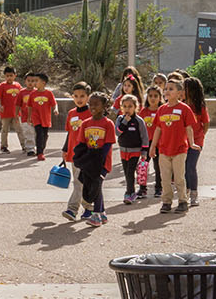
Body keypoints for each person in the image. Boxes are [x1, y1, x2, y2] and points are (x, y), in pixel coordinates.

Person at [151, 79, 199, 214]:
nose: (167, 91)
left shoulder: (184, 109)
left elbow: (189, 128)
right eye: (165, 89)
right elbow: (158, 129)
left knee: (179, 177)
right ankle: (166, 202)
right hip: (164, 150)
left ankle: (183, 201)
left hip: (179, 149)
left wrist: (192, 143)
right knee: (165, 178)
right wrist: (153, 146)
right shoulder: (161, 109)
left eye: (171, 89)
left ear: (179, 93)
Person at [72, 93, 117, 226]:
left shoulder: (108, 124)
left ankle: (96, 215)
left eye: (96, 104)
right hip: (89, 161)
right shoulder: (86, 123)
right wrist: (82, 159)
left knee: (96, 186)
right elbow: (82, 143)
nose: (92, 107)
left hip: (101, 162)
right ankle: (102, 213)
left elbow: (108, 145)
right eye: (90, 104)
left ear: (104, 106)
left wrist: (98, 160)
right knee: (96, 187)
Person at [59, 82, 95, 222]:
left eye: (82, 96)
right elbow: (70, 133)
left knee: (80, 183)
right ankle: (88, 208)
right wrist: (65, 148)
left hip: (87, 154)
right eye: (76, 96)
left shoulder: (91, 113)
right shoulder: (71, 113)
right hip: (74, 154)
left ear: (88, 97)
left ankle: (73, 209)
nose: (79, 99)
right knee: (79, 182)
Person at [116, 93, 150, 205]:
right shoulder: (120, 119)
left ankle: (129, 193)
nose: (127, 109)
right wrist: (125, 121)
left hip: (135, 151)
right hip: (123, 151)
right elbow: (118, 132)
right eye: (125, 106)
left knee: (130, 172)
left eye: (130, 106)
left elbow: (144, 137)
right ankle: (131, 191)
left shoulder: (139, 121)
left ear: (135, 107)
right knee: (126, 173)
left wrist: (144, 152)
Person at [181, 76, 210, 207]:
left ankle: (194, 193)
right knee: (183, 168)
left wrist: (201, 136)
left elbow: (206, 123)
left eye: (184, 88)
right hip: (183, 141)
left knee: (191, 166)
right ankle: (185, 192)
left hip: (196, 142)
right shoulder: (181, 105)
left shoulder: (199, 106)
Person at [22, 73, 57, 160]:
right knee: (39, 134)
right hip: (36, 118)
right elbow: (29, 106)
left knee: (45, 135)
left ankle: (41, 148)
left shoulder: (49, 93)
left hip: (46, 118)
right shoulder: (33, 94)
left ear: (43, 83)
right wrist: (29, 117)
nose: (34, 83)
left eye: (36, 81)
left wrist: (55, 109)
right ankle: (40, 153)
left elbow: (54, 103)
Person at [141, 85, 164, 198]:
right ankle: (142, 189)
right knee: (143, 166)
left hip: (159, 143)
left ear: (160, 97)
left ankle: (159, 188)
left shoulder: (163, 110)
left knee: (158, 167)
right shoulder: (143, 112)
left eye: (156, 96)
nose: (153, 98)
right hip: (145, 143)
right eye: (150, 96)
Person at [0, 66, 27, 154]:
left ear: (15, 75)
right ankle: (3, 146)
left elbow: (22, 96)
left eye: (11, 75)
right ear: (4, 76)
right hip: (5, 112)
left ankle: (24, 146)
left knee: (19, 129)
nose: (9, 77)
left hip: (16, 113)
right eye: (7, 76)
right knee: (4, 130)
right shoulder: (2, 86)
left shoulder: (18, 85)